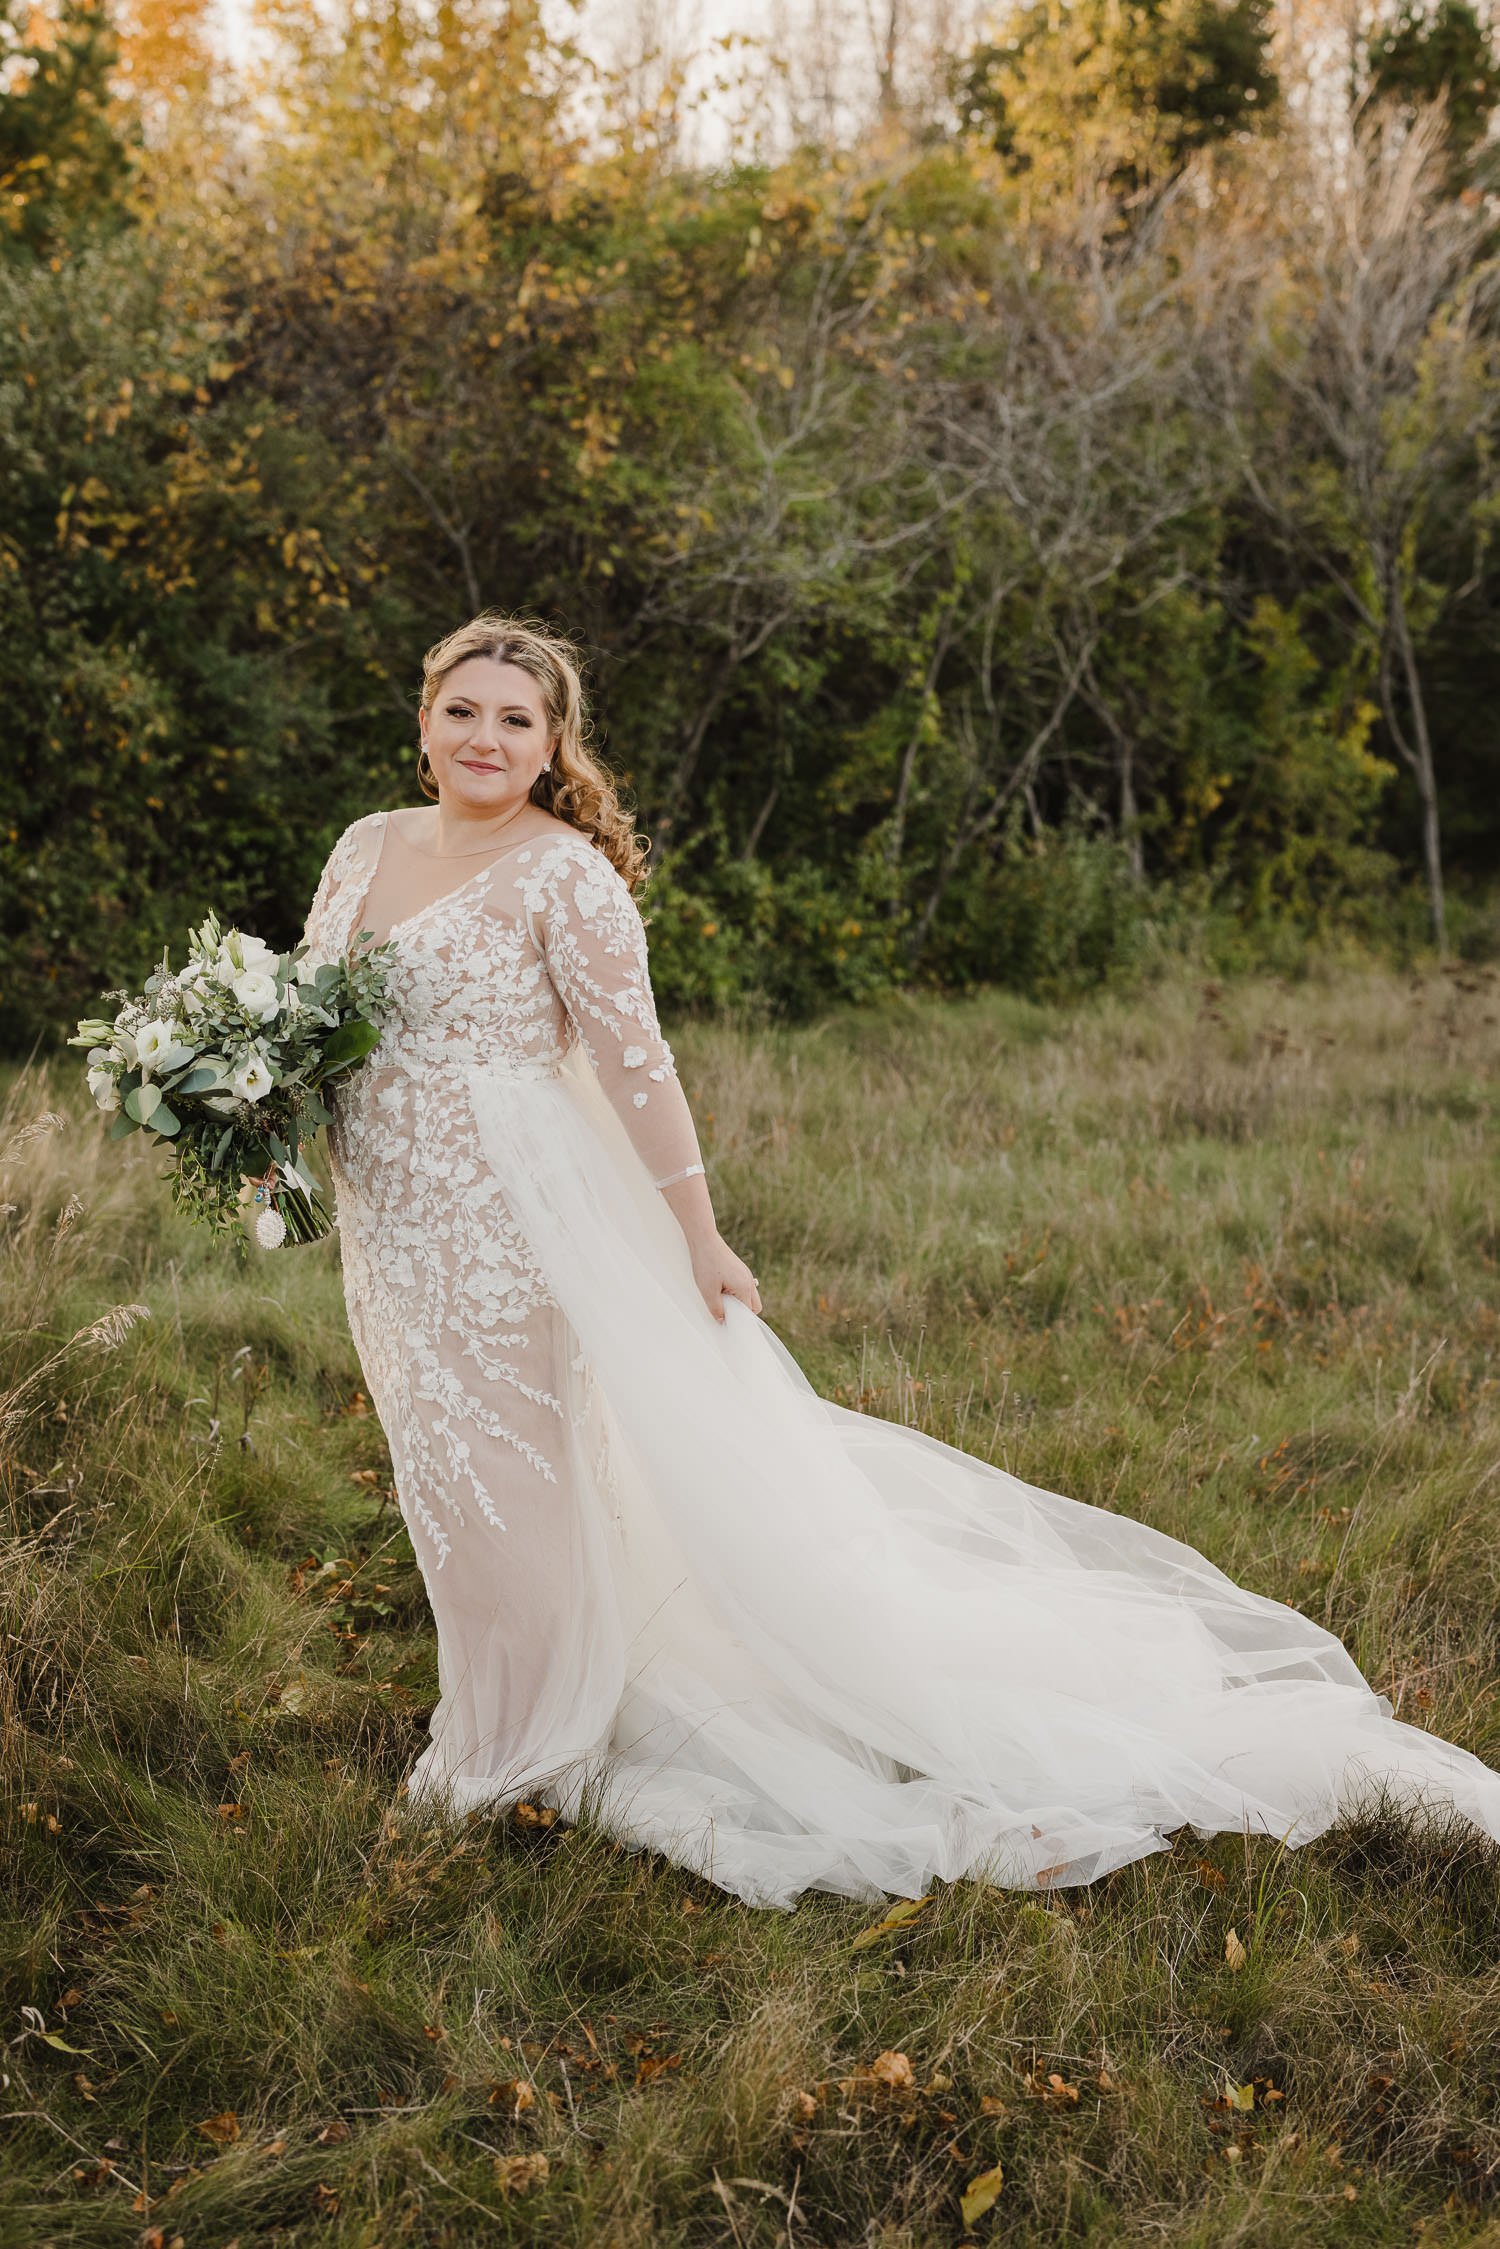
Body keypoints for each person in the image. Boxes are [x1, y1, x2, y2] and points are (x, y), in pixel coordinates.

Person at [300, 610, 1500, 1912]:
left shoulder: (563, 876)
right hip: (392, 1220)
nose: (485, 736)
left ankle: (517, 1746)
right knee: (445, 1474)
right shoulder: (365, 847)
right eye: (463, 710)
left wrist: (699, 1236)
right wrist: (255, 1118)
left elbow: (639, 1065)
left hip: (514, 1225)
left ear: (551, 746)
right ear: (423, 720)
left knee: (521, 1481)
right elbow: (310, 1012)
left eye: (515, 719)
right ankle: (498, 1697)